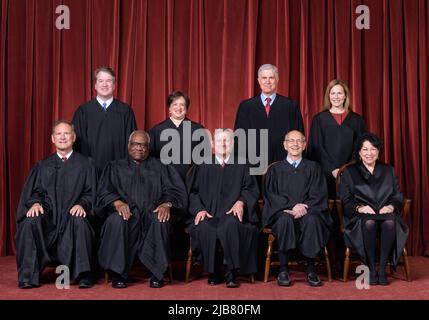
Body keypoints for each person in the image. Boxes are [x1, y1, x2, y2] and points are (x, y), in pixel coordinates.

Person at [96, 130, 188, 288]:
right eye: (136, 144)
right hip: (126, 214)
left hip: (151, 213)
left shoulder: (161, 166)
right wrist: (116, 202)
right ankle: (118, 273)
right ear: (128, 145)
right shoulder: (115, 166)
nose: (139, 148)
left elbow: (175, 191)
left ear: (148, 148)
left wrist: (167, 204)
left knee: (161, 218)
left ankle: (157, 273)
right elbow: (103, 192)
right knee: (117, 221)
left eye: (143, 145)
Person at [15, 121, 97, 289]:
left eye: (66, 133)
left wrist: (83, 204)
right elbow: (35, 191)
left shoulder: (86, 164)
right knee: (30, 222)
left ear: (73, 137)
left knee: (80, 221)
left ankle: (83, 275)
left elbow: (92, 192)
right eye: (59, 134)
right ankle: (28, 277)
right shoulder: (43, 166)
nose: (62, 137)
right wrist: (36, 203)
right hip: (49, 219)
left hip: (72, 219)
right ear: (52, 139)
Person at [186, 129, 260, 288]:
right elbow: (193, 192)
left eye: (227, 140)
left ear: (233, 144)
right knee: (206, 227)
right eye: (220, 141)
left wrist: (241, 201)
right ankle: (213, 271)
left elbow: (251, 189)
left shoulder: (242, 163)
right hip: (209, 213)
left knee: (230, 225)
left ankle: (231, 271)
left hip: (233, 214)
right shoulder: (202, 164)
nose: (224, 144)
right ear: (213, 144)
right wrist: (199, 209)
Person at [262, 130, 332, 287]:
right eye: (291, 141)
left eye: (299, 141)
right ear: (285, 145)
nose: (295, 144)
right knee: (285, 220)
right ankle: (284, 270)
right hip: (283, 212)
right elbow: (271, 195)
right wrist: (291, 206)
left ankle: (311, 269)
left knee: (313, 220)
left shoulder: (314, 168)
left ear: (304, 145)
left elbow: (319, 193)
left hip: (309, 210)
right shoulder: (275, 169)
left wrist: (304, 206)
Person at [338, 133, 408, 285]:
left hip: (385, 214)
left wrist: (391, 206)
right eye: (365, 149)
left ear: (378, 152)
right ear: (359, 152)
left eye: (373, 149)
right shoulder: (349, 172)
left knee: (390, 223)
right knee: (369, 222)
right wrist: (360, 207)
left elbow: (397, 195)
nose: (369, 153)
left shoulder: (388, 170)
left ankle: (382, 269)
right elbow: (346, 199)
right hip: (359, 216)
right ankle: (370, 268)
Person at [234, 64, 304, 165]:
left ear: (277, 80)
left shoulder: (290, 106)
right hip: (252, 165)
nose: (268, 81)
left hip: (283, 165)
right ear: (259, 81)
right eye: (264, 78)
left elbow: (299, 136)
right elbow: (239, 140)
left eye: (271, 77)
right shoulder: (246, 107)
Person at [72, 66, 137, 175]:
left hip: (119, 171)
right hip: (90, 172)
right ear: (95, 85)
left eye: (108, 81)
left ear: (114, 85)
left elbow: (132, 143)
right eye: (100, 81)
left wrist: (127, 171)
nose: (104, 84)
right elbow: (77, 145)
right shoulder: (83, 111)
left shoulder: (125, 111)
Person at [308, 79, 366, 198]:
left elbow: (360, 147)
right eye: (333, 93)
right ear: (328, 96)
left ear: (345, 96)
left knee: (349, 206)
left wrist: (345, 169)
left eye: (340, 93)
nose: (336, 97)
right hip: (324, 174)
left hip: (350, 172)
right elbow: (316, 147)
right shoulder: (319, 119)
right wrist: (332, 169)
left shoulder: (356, 120)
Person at [149, 90, 208, 181]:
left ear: (186, 108)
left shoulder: (198, 129)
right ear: (169, 108)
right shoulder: (157, 131)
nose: (178, 107)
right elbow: (151, 159)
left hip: (191, 182)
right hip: (165, 183)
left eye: (182, 105)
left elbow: (204, 159)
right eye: (175, 104)